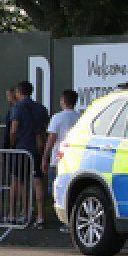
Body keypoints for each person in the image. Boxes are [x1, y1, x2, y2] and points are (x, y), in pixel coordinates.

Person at [8, 81, 50, 228]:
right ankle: (40, 217)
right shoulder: (41, 108)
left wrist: (12, 144)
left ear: (19, 92)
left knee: (17, 181)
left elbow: (14, 130)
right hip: (37, 149)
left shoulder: (17, 108)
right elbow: (45, 130)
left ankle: (15, 215)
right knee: (37, 182)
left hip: (22, 148)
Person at [44, 90, 80, 232]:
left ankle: (65, 221)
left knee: (57, 191)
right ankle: (71, 220)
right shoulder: (80, 117)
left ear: (63, 101)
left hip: (57, 160)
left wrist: (44, 157)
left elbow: (51, 139)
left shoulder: (57, 118)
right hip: (74, 160)